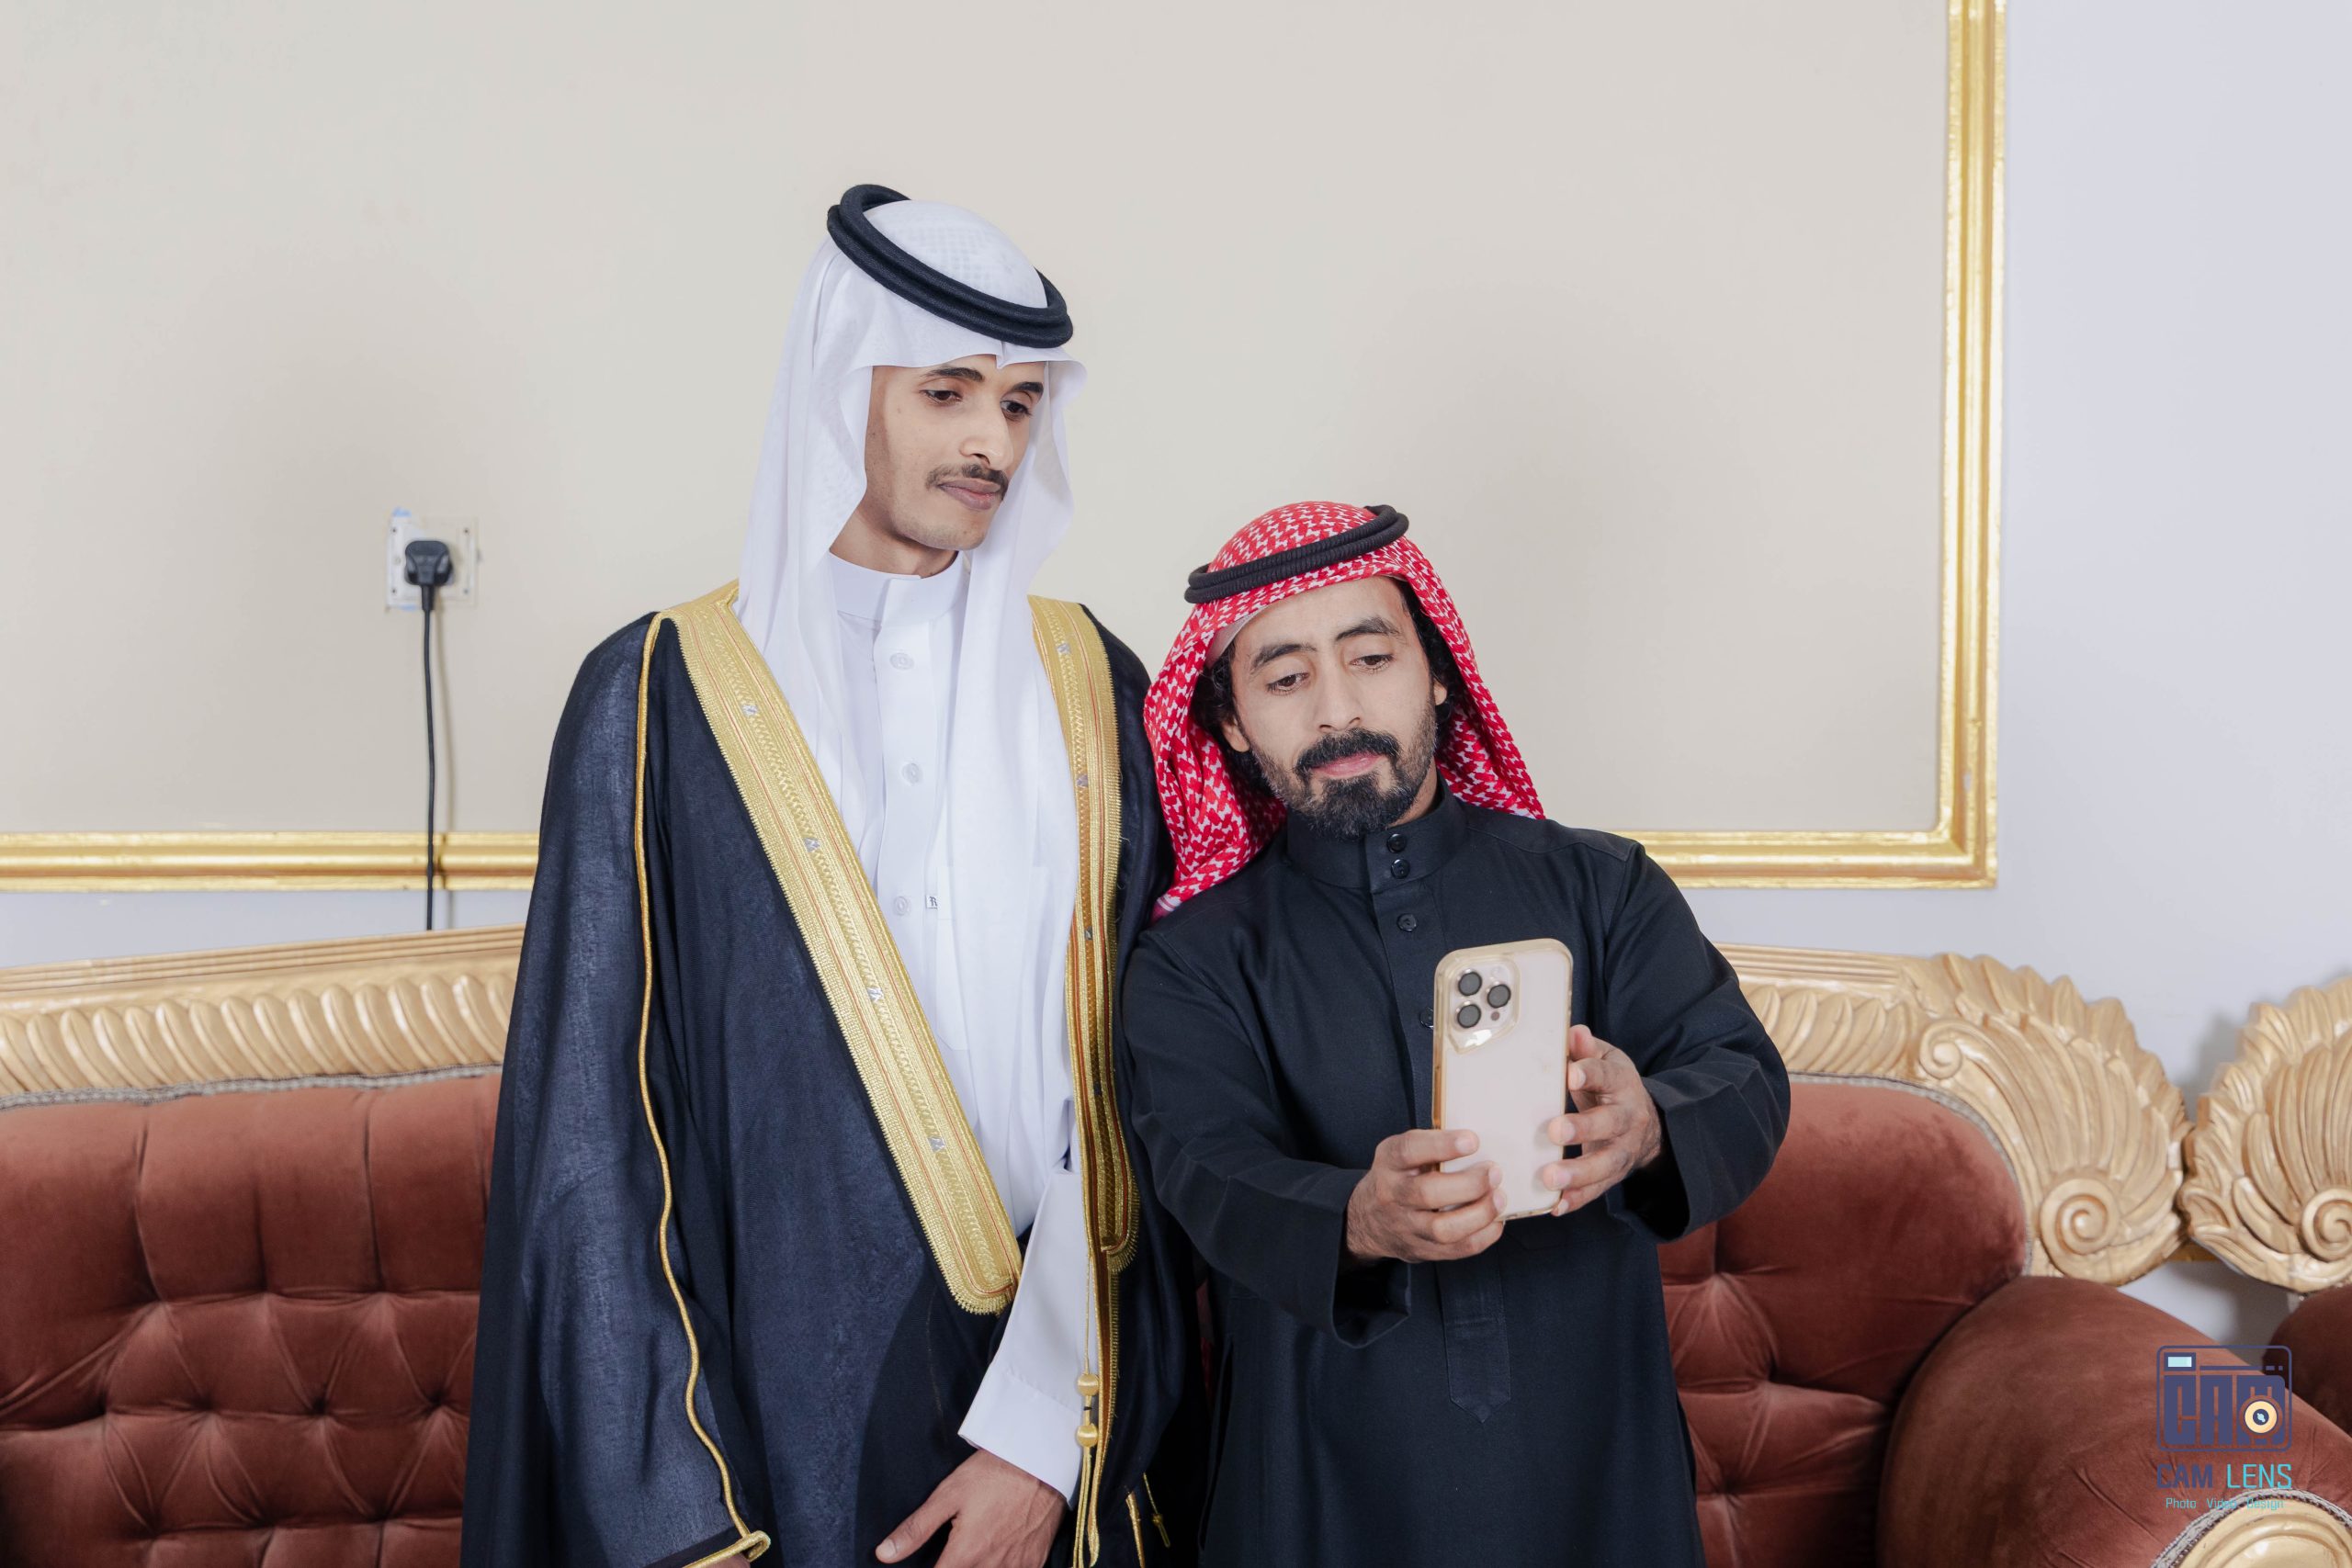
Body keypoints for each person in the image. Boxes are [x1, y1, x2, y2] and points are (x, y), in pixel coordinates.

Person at [462, 186, 1198, 1568]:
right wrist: (691, 1523)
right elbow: (593, 1151)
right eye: (946, 392)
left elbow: (1144, 1089)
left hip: (1068, 1439)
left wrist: (1044, 1439)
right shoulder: (659, 695)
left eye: (1021, 404)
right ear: (838, 385)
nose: (992, 443)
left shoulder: (1092, 686)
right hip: (766, 1440)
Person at [1120, 500, 1791, 1567]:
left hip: (1595, 1465)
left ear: (1436, 671)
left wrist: (1648, 1124)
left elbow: (1740, 1075)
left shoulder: (1601, 886)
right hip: (1314, 1486)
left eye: (1370, 658)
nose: (1338, 709)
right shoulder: (1192, 961)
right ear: (1233, 725)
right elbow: (1206, 1173)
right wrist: (1356, 1217)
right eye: (1285, 679)